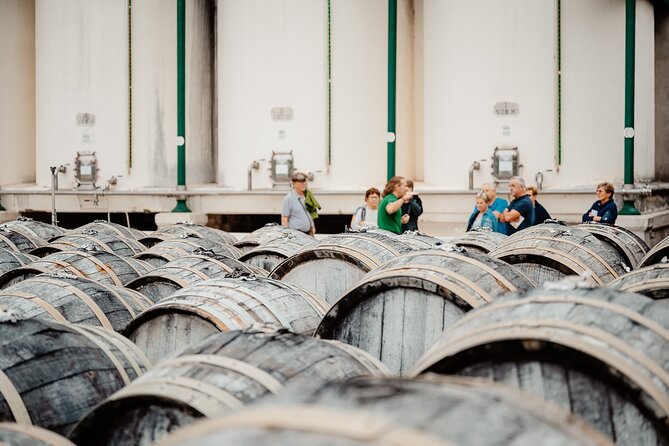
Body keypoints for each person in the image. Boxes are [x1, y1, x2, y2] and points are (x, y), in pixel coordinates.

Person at [280, 171, 315, 235]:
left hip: (308, 233)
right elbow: (284, 218)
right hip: (296, 234)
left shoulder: (307, 196)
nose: (303, 184)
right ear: (293, 184)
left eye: (304, 181)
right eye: (300, 182)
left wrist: (312, 226)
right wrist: (287, 234)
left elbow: (308, 213)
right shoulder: (289, 198)